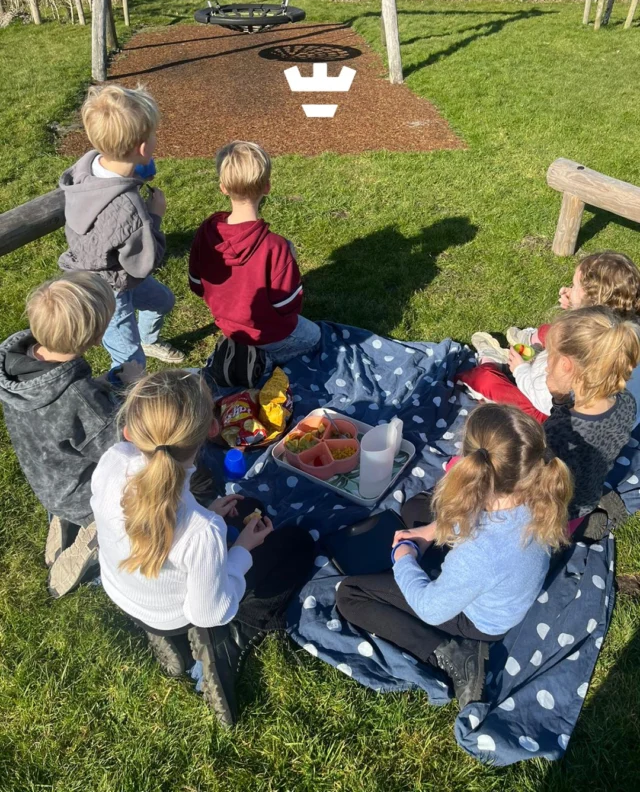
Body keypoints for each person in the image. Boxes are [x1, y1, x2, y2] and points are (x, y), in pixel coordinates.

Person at [91, 369, 314, 726]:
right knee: (298, 544)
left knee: (246, 507)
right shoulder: (202, 532)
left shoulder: (112, 460)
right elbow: (209, 612)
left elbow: (151, 519)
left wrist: (206, 511)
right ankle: (231, 641)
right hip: (177, 613)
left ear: (130, 431)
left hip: (126, 593)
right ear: (211, 431)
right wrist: (241, 551)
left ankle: (166, 639)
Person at [336, 404, 572, 710]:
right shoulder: (539, 494)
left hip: (479, 621)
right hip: (502, 582)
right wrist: (430, 531)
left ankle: (452, 653)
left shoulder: (480, 552)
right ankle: (425, 545)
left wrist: (404, 558)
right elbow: (484, 520)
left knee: (350, 594)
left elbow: (430, 609)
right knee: (416, 509)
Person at [0, 272, 142, 598]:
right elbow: (120, 448)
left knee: (62, 499)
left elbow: (63, 412)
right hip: (82, 494)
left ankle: (60, 519)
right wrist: (135, 387)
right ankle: (91, 538)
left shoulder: (14, 366)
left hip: (45, 476)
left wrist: (100, 385)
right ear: (96, 338)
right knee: (126, 510)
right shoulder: (81, 400)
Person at [58, 84, 184, 369]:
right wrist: (155, 216)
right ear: (142, 148)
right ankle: (119, 392)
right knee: (130, 361)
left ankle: (148, 340)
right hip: (105, 289)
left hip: (102, 266)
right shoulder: (130, 209)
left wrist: (136, 171)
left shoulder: (85, 169)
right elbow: (143, 264)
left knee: (162, 301)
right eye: (153, 134)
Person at [459, 252, 640, 424]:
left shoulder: (577, 358)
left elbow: (545, 396)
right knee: (550, 330)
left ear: (591, 302)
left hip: (550, 411)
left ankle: (491, 362)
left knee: (485, 379)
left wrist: (520, 370)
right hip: (607, 408)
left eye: (574, 286)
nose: (566, 289)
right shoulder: (626, 330)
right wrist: (576, 306)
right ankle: (529, 342)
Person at [188, 140, 321, 365]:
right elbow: (288, 306)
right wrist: (290, 260)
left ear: (223, 187)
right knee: (315, 337)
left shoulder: (208, 230)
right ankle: (263, 361)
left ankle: (245, 356)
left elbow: (196, 284)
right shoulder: (276, 247)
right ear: (267, 187)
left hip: (228, 327)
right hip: (267, 332)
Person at [542, 306, 640, 531]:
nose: (547, 365)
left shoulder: (558, 431)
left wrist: (558, 401)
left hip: (560, 512)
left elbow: (539, 480)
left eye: (549, 357)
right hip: (591, 494)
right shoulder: (626, 401)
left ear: (566, 365)